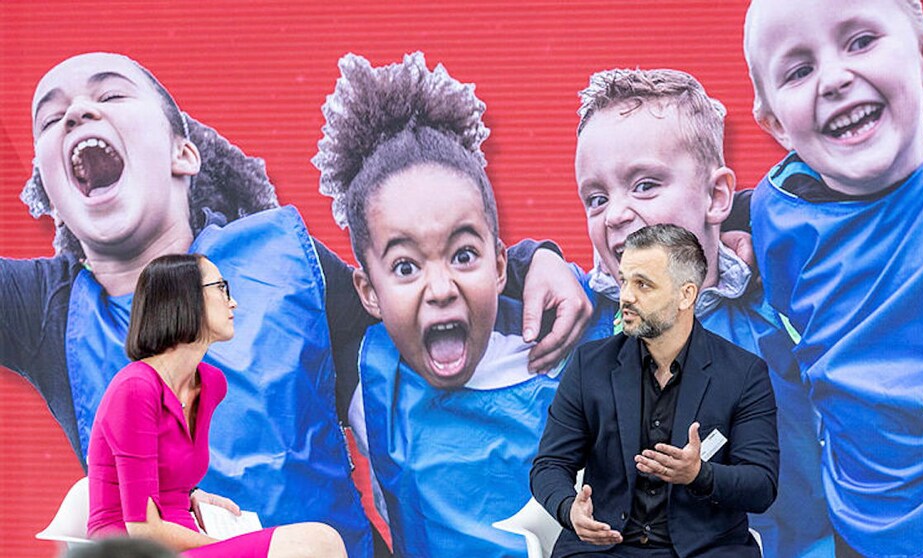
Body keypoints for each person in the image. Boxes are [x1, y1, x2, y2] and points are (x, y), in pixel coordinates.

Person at [2, 52, 589, 557]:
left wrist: (531, 261)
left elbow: (413, 281)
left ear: (183, 153)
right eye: (51, 117)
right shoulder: (46, 311)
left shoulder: (285, 264)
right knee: (86, 508)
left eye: (109, 93)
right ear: (47, 185)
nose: (77, 112)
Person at [743, 0, 923, 555]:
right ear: (775, 122)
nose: (834, 78)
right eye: (799, 69)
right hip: (855, 521)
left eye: (860, 42)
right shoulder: (774, 205)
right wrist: (536, 260)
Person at [311, 52, 569, 557]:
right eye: (406, 267)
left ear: (497, 266)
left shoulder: (565, 330)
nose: (441, 287)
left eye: (464, 254)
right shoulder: (366, 371)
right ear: (368, 293)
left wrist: (536, 258)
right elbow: (263, 258)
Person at [572, 68, 831, 557]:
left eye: (645, 185)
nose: (616, 214)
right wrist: (533, 260)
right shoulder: (578, 317)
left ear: (716, 196)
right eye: (597, 198)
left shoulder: (781, 306)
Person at [531, 223, 779, 558]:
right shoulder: (589, 365)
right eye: (624, 281)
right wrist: (568, 509)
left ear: (686, 294)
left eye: (642, 284)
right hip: (604, 548)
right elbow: (550, 464)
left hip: (705, 549)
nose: (626, 297)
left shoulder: (744, 373)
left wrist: (699, 474)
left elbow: (761, 486)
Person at [87, 253, 345, 557]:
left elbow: (165, 475)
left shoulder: (210, 383)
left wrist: (193, 494)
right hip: (136, 549)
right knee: (318, 541)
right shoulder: (135, 389)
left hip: (184, 538)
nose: (232, 302)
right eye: (221, 288)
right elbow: (142, 529)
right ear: (185, 298)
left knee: (319, 542)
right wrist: (234, 550)